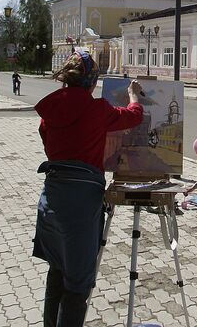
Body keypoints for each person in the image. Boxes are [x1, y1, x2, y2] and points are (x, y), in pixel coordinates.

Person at [33, 49, 143, 327]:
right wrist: (133, 97)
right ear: (92, 83)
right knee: (78, 285)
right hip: (81, 206)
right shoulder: (98, 109)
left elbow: (47, 140)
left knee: (57, 272)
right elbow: (133, 116)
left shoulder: (51, 110)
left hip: (51, 198)